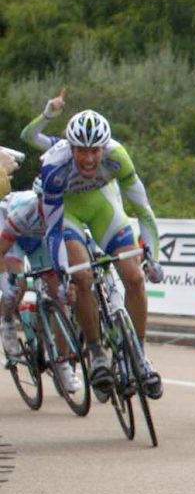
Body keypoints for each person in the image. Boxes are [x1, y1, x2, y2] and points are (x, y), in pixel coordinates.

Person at [23, 102, 164, 401]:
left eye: (94, 151)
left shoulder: (117, 156)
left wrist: (153, 255)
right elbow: (54, 227)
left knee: (135, 277)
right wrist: (63, 272)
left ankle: (138, 353)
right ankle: (97, 352)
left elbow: (143, 211)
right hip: (69, 216)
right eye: (81, 151)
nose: (88, 159)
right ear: (70, 147)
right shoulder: (54, 166)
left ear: (104, 148)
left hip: (104, 209)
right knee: (83, 277)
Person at [0, 183, 78, 392]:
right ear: (39, 199)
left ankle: (61, 363)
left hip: (39, 238)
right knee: (18, 284)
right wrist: (5, 279)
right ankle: (6, 322)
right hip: (11, 231)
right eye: (47, 200)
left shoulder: (64, 213)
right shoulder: (23, 212)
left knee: (57, 295)